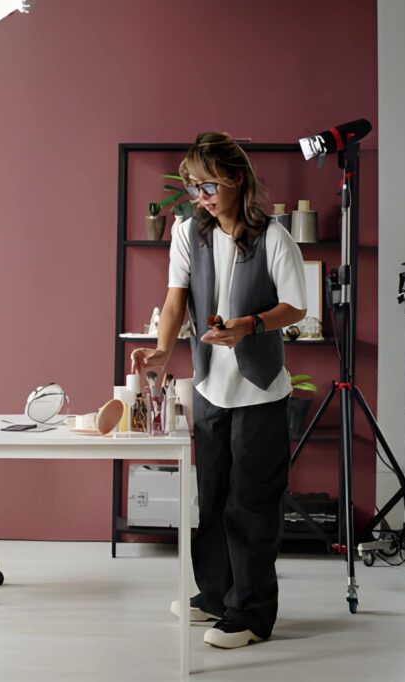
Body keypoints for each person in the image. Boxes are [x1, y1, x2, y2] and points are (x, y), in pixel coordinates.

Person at [132, 132, 307, 649]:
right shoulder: (189, 233)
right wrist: (164, 351)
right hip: (210, 385)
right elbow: (174, 301)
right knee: (211, 500)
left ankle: (251, 616)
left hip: (260, 391)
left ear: (235, 178)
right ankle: (214, 598)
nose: (199, 196)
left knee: (251, 505)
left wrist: (249, 325)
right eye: (192, 187)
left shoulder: (275, 238)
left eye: (207, 185)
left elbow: (297, 306)